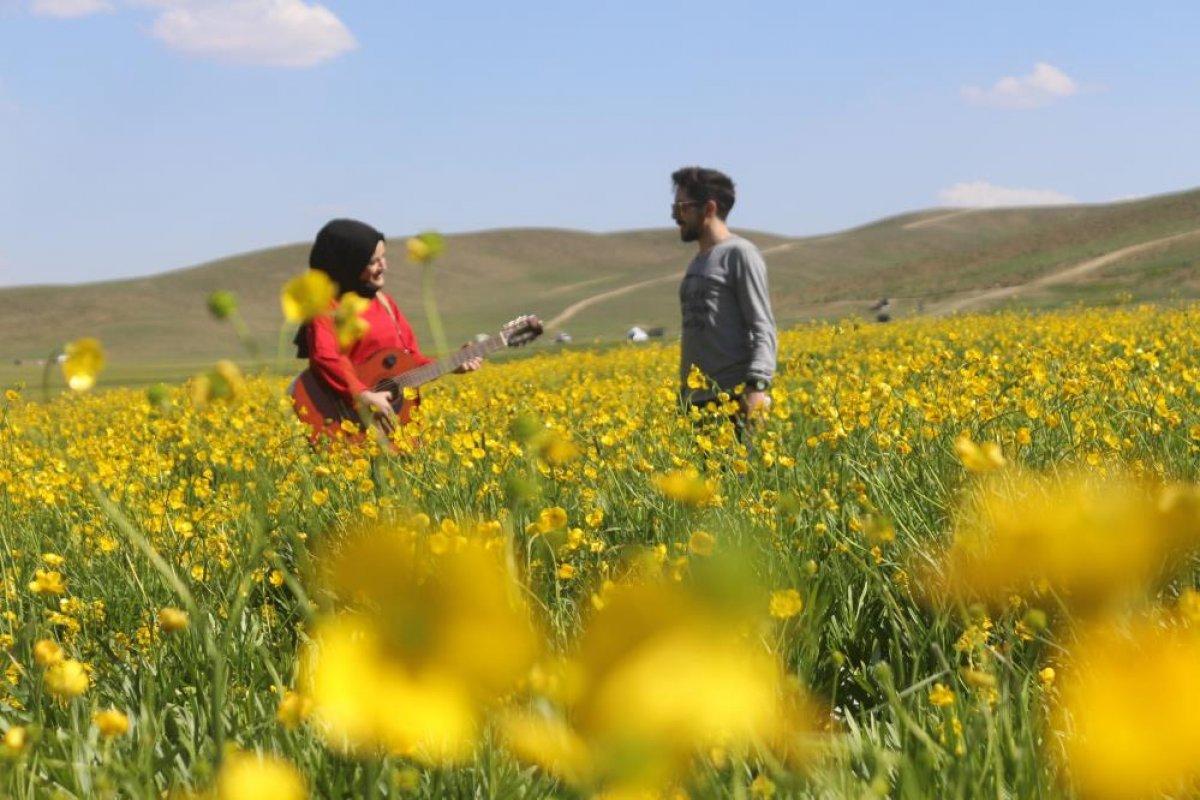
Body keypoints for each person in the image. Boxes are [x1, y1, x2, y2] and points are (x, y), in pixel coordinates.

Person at [294, 219, 480, 422]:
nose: (384, 266)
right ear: (348, 264)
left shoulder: (385, 303)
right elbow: (326, 358)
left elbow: (411, 360)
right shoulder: (327, 309)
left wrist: (452, 363)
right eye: (373, 261)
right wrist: (363, 395)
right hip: (344, 424)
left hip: (397, 419)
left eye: (383, 258)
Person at [671, 166, 777, 425]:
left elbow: (762, 325)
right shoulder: (697, 262)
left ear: (708, 209)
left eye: (682, 208)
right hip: (695, 403)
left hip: (733, 399)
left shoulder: (739, 254)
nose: (676, 217)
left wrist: (757, 386)